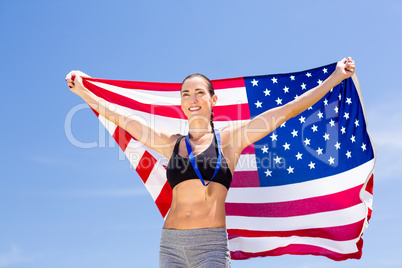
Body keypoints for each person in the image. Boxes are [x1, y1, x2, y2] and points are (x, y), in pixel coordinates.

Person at [66, 57, 356, 267]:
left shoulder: (229, 141)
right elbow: (123, 119)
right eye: (186, 94)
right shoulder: (171, 143)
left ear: (213, 100)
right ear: (181, 103)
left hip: (211, 247)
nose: (192, 99)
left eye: (199, 93)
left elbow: (284, 112)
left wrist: (334, 78)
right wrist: (84, 93)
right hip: (171, 245)